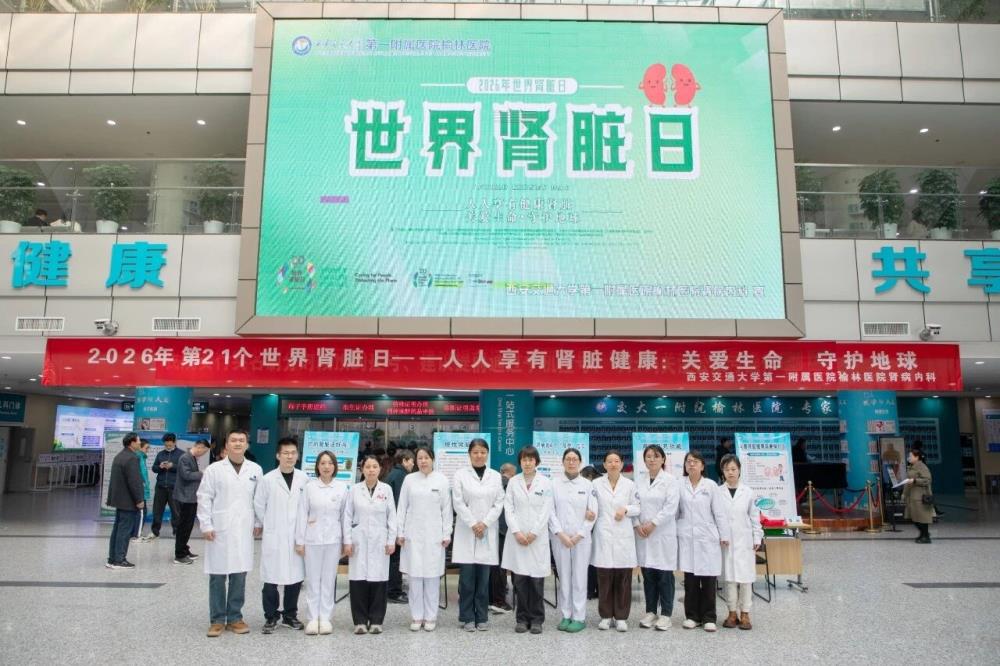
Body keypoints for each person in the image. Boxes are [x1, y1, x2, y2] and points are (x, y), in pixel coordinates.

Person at [197, 430, 263, 638]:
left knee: (239, 574)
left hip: (244, 528)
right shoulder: (214, 470)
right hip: (219, 529)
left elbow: (259, 499)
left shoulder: (255, 470)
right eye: (233, 440)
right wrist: (206, 525)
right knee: (217, 575)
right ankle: (217, 619)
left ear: (247, 445)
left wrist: (259, 521)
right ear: (226, 445)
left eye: (241, 440)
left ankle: (235, 617)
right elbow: (204, 497)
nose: (237, 443)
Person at [254, 437, 308, 634]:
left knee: (295, 578)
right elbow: (259, 505)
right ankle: (271, 616)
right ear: (278, 455)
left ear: (297, 456)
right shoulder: (268, 479)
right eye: (285, 453)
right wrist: (270, 524)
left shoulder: (304, 479)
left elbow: (307, 506)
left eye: (293, 453)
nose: (289, 456)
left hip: (296, 536)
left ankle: (290, 615)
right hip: (274, 535)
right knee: (271, 579)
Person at [396, 446, 452, 631]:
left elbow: (447, 509)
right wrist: (400, 532)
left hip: (435, 535)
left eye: (426, 457)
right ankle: (416, 616)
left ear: (432, 459)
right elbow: (402, 507)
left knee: (432, 577)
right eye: (419, 458)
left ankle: (430, 616)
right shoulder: (409, 479)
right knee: (415, 577)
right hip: (412, 534)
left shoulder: (442, 480)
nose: (423, 461)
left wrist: (446, 533)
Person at [452, 438, 505, 631]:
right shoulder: (460, 475)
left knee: (483, 580)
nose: (479, 455)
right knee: (467, 580)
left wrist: (485, 523)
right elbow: (458, 502)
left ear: (487, 454)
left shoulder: (495, 476)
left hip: (487, 530)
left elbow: (499, 502)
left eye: (482, 452)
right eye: (475, 452)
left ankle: (482, 617)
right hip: (467, 530)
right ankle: (467, 617)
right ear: (469, 454)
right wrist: (474, 523)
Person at [296, 451, 350, 636]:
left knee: (328, 579)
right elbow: (302, 514)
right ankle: (313, 618)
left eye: (330, 463)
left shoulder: (342, 488)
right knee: (313, 580)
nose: (326, 466)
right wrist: (300, 541)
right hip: (312, 540)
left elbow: (345, 516)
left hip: (334, 540)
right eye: (323, 463)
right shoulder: (309, 487)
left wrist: (346, 541)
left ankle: (325, 618)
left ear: (335, 466)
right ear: (317, 466)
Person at [502, 446, 553, 634]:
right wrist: (516, 532)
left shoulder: (545, 483)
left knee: (537, 581)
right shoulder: (513, 482)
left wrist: (534, 533)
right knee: (520, 580)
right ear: (520, 462)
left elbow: (546, 510)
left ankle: (537, 619)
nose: (528, 463)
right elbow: (508, 508)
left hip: (536, 538)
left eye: (531, 459)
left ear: (536, 462)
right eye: (524, 459)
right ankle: (522, 619)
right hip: (518, 538)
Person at [677, 450, 731, 633]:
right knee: (690, 581)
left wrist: (724, 535)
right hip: (687, 538)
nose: (691, 464)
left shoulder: (710, 485)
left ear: (702, 465)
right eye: (688, 461)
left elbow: (719, 512)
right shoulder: (679, 485)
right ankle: (692, 616)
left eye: (695, 461)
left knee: (708, 580)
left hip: (707, 538)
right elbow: (676, 511)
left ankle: (709, 617)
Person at [344, 455, 397, 635]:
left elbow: (392, 516)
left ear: (380, 469)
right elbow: (347, 516)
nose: (371, 470)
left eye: (375, 466)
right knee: (358, 580)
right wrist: (347, 541)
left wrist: (391, 540)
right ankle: (359, 620)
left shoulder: (386, 489)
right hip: (358, 540)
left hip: (380, 540)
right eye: (367, 467)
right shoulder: (354, 490)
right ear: (362, 469)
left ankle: (376, 620)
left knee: (379, 580)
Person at [591, 450, 640, 632]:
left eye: (616, 461)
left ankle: (621, 617)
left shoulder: (630, 485)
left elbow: (638, 507)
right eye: (609, 461)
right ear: (604, 465)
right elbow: (591, 506)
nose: (613, 464)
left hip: (623, 535)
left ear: (621, 464)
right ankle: (605, 616)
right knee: (604, 578)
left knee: (623, 579)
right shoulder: (596, 484)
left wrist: (626, 509)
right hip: (603, 534)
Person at [549, 448, 597, 633]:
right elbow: (550, 512)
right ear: (562, 462)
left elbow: (593, 513)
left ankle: (579, 617)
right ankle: (566, 615)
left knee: (579, 577)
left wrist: (578, 535)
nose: (571, 462)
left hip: (581, 539)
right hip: (560, 538)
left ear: (580, 462)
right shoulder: (554, 484)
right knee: (564, 577)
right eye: (568, 459)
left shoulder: (588, 485)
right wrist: (560, 534)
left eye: (574, 459)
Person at [634, 445, 680, 631]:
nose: (652, 459)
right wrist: (637, 524)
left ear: (663, 460)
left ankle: (666, 614)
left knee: (664, 576)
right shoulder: (639, 481)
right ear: (644, 460)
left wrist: (653, 523)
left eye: (656, 456)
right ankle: (651, 611)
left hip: (662, 533)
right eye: (648, 456)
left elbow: (670, 507)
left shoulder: (671, 481)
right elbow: (633, 504)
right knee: (648, 575)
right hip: (644, 535)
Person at [718, 454, 762, 631]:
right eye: (727, 469)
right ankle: (731, 613)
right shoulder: (718, 492)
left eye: (733, 469)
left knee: (745, 579)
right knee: (729, 578)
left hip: (745, 541)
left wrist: (757, 537)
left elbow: (755, 517)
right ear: (722, 471)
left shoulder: (748, 492)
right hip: (726, 542)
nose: (730, 472)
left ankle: (745, 614)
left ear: (739, 470)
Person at [105, 433, 145, 569]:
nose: (140, 443)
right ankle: (119, 560)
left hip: (119, 500)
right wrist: (139, 499)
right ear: (132, 443)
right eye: (138, 441)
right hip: (128, 501)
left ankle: (112, 559)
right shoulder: (132, 458)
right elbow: (134, 481)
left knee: (117, 529)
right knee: (124, 531)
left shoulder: (120, 455)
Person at [384, 449, 415, 604]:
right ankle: (393, 592)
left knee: (393, 558)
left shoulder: (392, 474)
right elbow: (400, 503)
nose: (413, 464)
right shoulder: (402, 476)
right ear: (404, 460)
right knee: (395, 558)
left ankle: (391, 588)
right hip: (395, 523)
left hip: (390, 522)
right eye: (412, 461)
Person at [173, 439, 209, 565]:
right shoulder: (185, 458)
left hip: (191, 497)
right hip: (185, 497)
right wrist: (202, 473)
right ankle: (179, 555)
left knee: (188, 526)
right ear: (199, 447)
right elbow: (186, 475)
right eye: (204, 451)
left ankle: (184, 549)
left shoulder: (192, 458)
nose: (203, 454)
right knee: (183, 526)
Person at [489, 463, 513, 614]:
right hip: (503, 530)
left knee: (491, 565)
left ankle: (490, 598)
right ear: (510, 472)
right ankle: (499, 601)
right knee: (500, 567)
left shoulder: (492, 483)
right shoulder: (510, 484)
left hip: (490, 527)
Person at [150, 433, 183, 539]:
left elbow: (184, 469)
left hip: (174, 488)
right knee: (157, 511)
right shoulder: (160, 454)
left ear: (174, 442)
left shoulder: (181, 454)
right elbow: (154, 468)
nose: (168, 446)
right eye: (166, 445)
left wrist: (172, 466)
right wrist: (160, 467)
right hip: (160, 487)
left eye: (170, 445)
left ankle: (177, 532)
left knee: (176, 512)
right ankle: (155, 532)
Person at [902, 448, 934, 544]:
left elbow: (927, 480)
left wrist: (915, 481)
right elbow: (908, 481)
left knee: (922, 517)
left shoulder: (922, 466)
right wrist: (904, 494)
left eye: (910, 456)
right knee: (914, 517)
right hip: (912, 496)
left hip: (920, 496)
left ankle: (925, 536)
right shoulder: (912, 466)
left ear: (917, 457)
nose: (908, 458)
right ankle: (923, 534)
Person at [134, 439, 153, 540]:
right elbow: (137, 475)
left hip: (142, 490)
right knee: (141, 512)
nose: (148, 450)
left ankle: (136, 533)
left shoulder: (142, 457)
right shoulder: (138, 457)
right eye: (146, 448)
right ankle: (137, 535)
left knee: (141, 512)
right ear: (140, 447)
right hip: (140, 490)